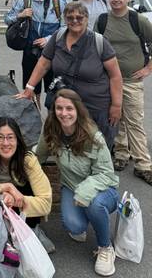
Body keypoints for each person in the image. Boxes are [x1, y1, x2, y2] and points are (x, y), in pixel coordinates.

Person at [16, 1, 122, 149]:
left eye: (79, 17)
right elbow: (43, 63)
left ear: (86, 18)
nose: (75, 21)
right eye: (70, 17)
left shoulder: (99, 42)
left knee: (97, 148)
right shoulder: (58, 37)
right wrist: (29, 88)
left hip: (95, 107)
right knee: (68, 147)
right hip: (66, 106)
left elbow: (115, 76)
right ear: (65, 19)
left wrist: (117, 105)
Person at [36, 89, 119, 277]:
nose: (63, 113)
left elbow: (106, 174)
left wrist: (84, 193)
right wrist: (17, 165)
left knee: (95, 204)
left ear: (78, 110)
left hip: (104, 190)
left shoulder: (93, 136)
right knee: (74, 227)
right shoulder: (51, 132)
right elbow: (38, 155)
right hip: (71, 187)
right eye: (59, 108)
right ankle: (89, 216)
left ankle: (106, 247)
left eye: (69, 108)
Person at [0, 117, 53, 253]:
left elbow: (45, 203)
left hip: (19, 206)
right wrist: (5, 188)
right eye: (0, 137)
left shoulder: (28, 159)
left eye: (10, 137)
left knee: (27, 187)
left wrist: (14, 199)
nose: (5, 143)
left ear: (18, 140)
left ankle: (31, 230)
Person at [94, 0, 152, 184]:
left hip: (131, 80)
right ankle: (120, 154)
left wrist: (148, 68)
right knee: (115, 119)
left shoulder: (139, 20)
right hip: (108, 80)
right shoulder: (102, 21)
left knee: (134, 121)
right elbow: (95, 47)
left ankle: (143, 164)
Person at [5, 0, 66, 100]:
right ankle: (35, 118)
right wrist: (20, 15)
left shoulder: (58, 1)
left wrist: (49, 39)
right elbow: (7, 19)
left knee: (56, 90)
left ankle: (53, 118)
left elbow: (66, 26)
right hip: (30, 51)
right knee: (31, 89)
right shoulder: (23, 1)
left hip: (53, 52)